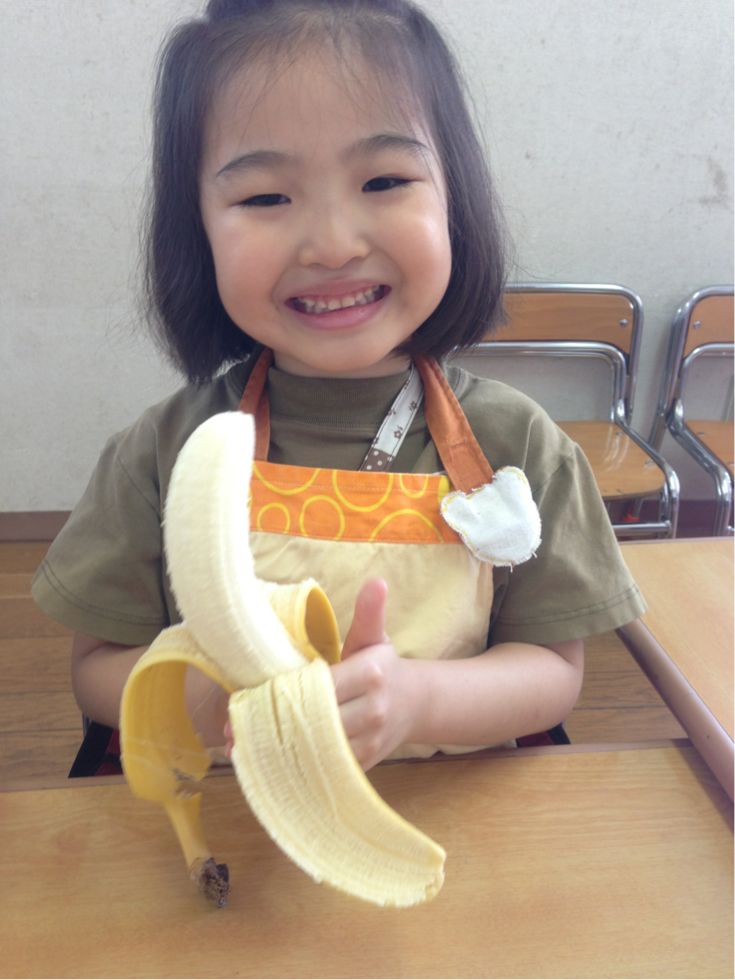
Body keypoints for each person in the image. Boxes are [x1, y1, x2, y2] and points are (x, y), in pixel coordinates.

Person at [32, 0, 645, 777]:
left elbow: (551, 673)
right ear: (197, 232)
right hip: (228, 816)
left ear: (453, 200)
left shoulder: (518, 445)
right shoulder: (160, 452)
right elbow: (95, 674)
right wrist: (201, 696)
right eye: (265, 197)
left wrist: (419, 700)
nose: (330, 245)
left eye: (383, 180)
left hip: (448, 812)